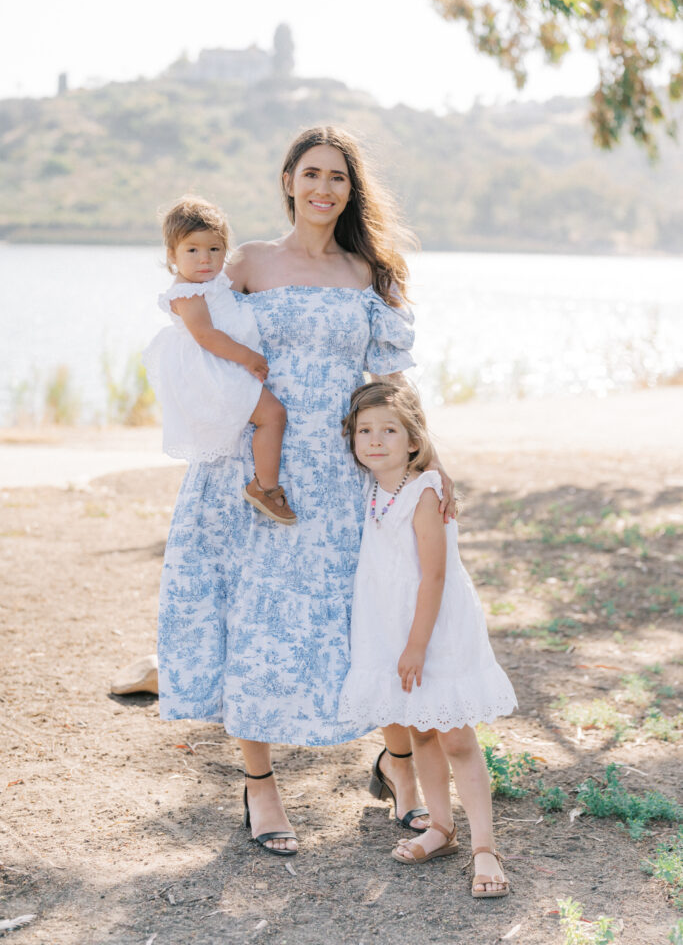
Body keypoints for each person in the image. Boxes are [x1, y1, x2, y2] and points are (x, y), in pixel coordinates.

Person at [156, 126, 456, 857]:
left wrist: (430, 463)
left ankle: (399, 766)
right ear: (287, 179)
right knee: (253, 621)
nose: (324, 188)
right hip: (254, 470)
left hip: (344, 472)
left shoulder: (367, 272)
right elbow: (192, 330)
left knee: (366, 619)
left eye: (339, 178)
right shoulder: (248, 261)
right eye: (311, 173)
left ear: (351, 191)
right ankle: (260, 785)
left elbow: (390, 382)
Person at [338, 380, 518, 896]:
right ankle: (440, 826)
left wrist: (416, 644)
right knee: (419, 731)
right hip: (390, 627)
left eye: (389, 430)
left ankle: (485, 847)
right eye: (364, 431)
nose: (375, 440)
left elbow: (434, 577)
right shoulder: (373, 486)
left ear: (413, 440)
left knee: (456, 737)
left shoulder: (425, 491)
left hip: (435, 630)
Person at [143, 195, 295, 524]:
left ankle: (263, 482)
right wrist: (249, 357)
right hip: (217, 370)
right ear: (172, 255)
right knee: (273, 415)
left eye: (214, 249)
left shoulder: (210, 284)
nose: (205, 259)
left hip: (225, 364)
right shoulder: (188, 292)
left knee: (269, 416)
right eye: (192, 250)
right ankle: (264, 487)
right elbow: (206, 336)